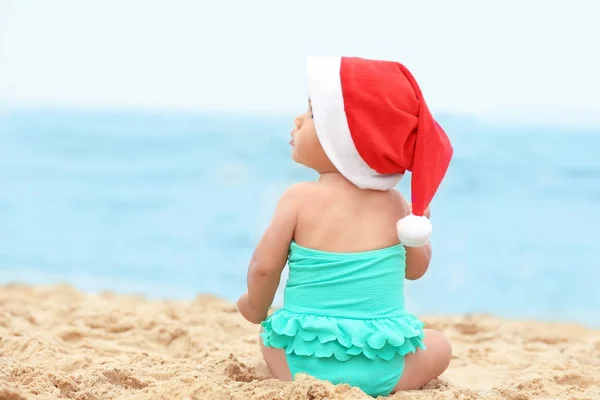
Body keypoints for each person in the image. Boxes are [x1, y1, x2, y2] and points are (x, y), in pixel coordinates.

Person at [237, 56, 454, 397]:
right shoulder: (396, 204)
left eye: (310, 115)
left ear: (344, 140)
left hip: (300, 362)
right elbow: (415, 269)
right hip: (384, 363)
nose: (298, 119)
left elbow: (264, 269)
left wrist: (254, 307)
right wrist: (418, 230)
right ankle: (378, 382)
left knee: (270, 333)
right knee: (439, 345)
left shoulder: (298, 199)